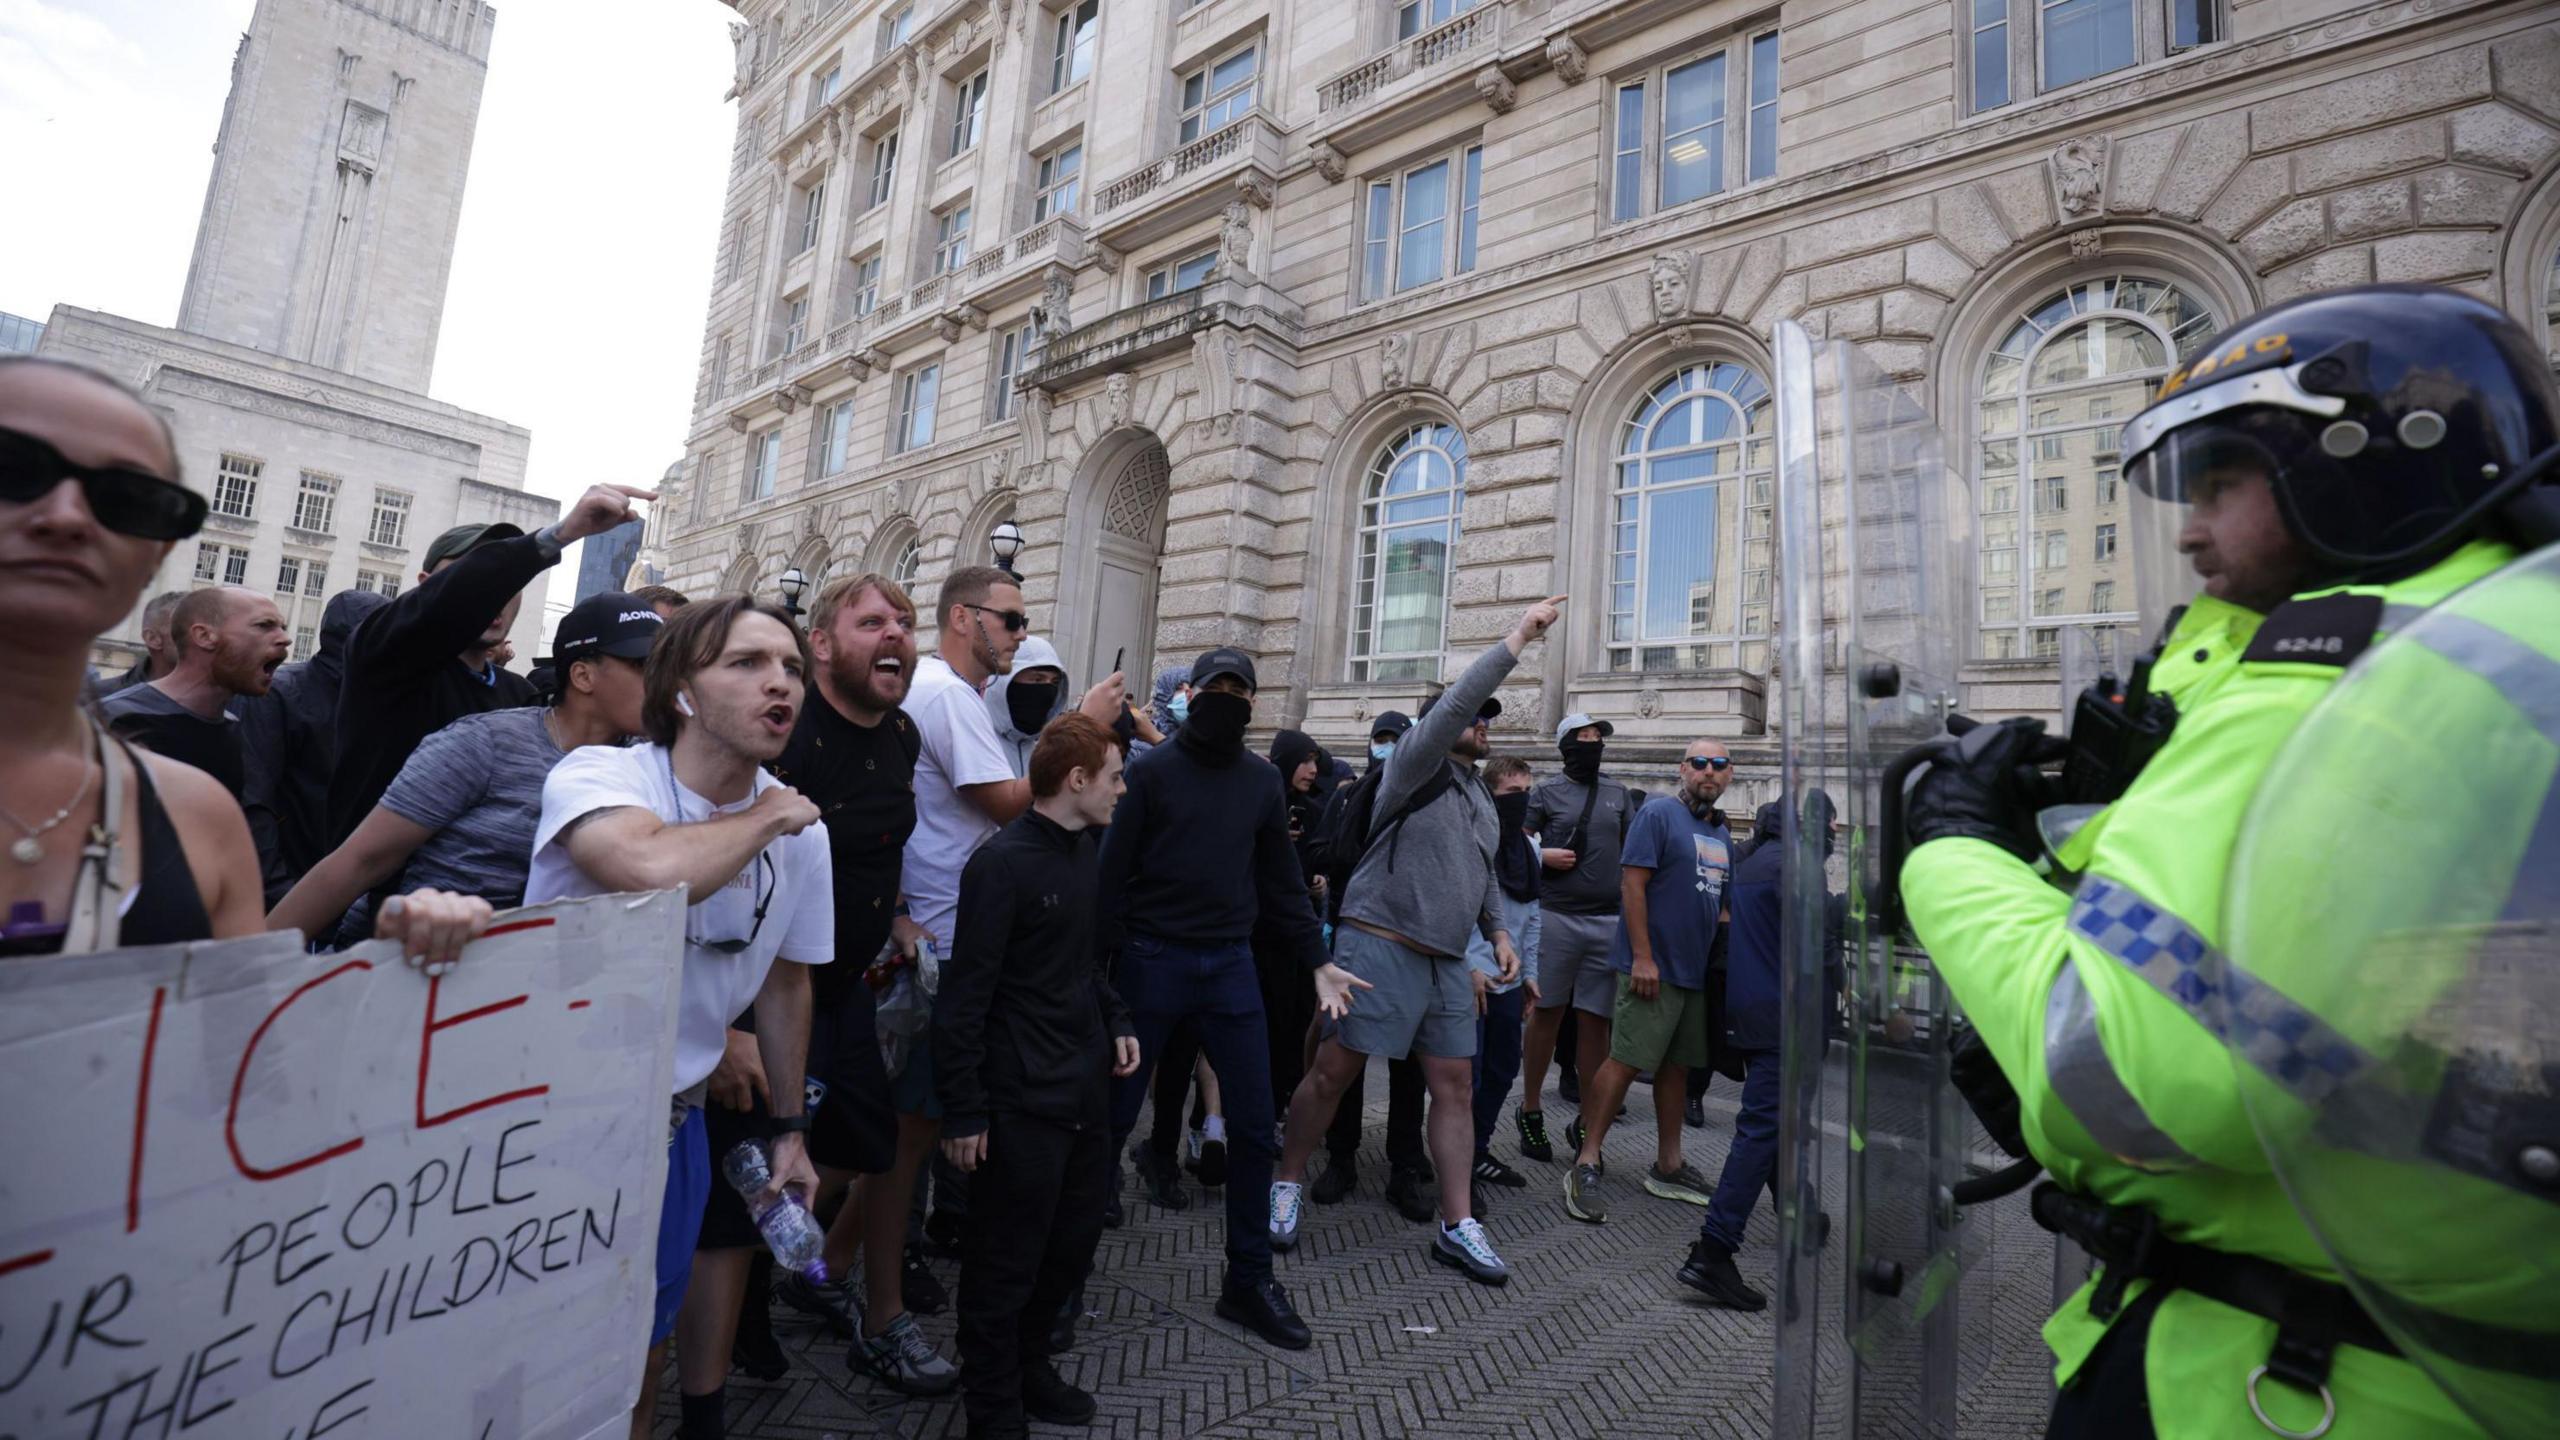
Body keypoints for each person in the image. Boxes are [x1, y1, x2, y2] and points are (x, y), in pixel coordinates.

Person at [1899, 284, 2558, 1438]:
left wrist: (1950, 848)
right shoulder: (2496, 641)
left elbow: (2140, 1083)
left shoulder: (2370, 682)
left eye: (2217, 485)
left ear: (2356, 460)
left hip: (2275, 1379)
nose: (2189, 531)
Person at [0, 355, 481, 965]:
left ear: (157, 554)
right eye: (14, 470)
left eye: (127, 498)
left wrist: (381, 955)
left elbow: (242, 1035)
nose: (67, 516)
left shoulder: (198, 815)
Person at [521, 596, 833, 1440]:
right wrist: (765, 815)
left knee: (641, 1342)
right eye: (748, 663)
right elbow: (645, 864)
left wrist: (790, 1126)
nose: (782, 685)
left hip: (674, 1118)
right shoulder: (605, 776)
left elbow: (784, 982)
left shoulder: (804, 837)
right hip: (545, 1116)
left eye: (794, 669)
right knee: (533, 1338)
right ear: (683, 693)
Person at [1272, 597, 1562, 1288]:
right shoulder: (1414, 762)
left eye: (1489, 722)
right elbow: (1463, 699)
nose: (1485, 727)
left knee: (1454, 1087)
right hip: (1379, 943)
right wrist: (1519, 635)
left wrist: (1495, 931)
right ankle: (1284, 1179)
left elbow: (1482, 871)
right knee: (1336, 1071)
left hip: (1446, 960)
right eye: (1476, 719)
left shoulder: (1481, 797)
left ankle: (1457, 1225)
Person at [887, 566, 1121, 1369]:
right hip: (948, 937)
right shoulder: (950, 696)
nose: (1020, 637)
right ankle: (876, 1288)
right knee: (915, 1138)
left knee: (907, 1139)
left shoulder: (944, 693)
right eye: (1012, 621)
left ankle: (865, 1272)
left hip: (942, 925)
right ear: (964, 618)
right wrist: (1083, 728)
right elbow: (1005, 804)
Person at [1099, 646, 1352, 1349]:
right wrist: (1099, 983)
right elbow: (1109, 881)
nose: (1229, 697)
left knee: (1250, 1123)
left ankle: (1248, 1280)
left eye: (1242, 689)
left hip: (1231, 966)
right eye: (1218, 686)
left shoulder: (1260, 783)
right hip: (1152, 961)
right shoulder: (1151, 773)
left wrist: (1318, 962)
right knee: (1112, 1113)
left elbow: (1280, 883)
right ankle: (1067, 1272)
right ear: (1193, 693)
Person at [935, 712, 1140, 1439]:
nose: (1122, 788)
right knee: (1004, 1262)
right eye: (1115, 776)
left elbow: (1081, 964)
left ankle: (1029, 1370)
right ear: (1078, 780)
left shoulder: (1087, 850)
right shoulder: (1002, 864)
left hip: (1084, 1090)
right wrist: (963, 1110)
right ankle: (991, 1404)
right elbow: (966, 996)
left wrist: (1115, 1019)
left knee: (1070, 1247)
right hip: (1021, 1099)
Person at [761, 572, 944, 1385]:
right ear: (823, 645)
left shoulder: (902, 736)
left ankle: (875, 1317)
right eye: (872, 621)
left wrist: (899, 916)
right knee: (758, 1168)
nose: (896, 632)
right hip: (768, 996)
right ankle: (736, 1319)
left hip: (850, 990)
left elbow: (882, 843)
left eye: (904, 621)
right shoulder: (789, 737)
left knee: (880, 1147)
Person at [267, 592, 659, 945]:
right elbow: (361, 860)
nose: (665, 681)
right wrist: (243, 973)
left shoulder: (655, 765)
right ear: (583, 675)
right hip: (426, 980)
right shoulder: (485, 743)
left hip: (559, 996)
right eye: (643, 665)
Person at [328, 480, 654, 851]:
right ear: (427, 586)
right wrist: (559, 536)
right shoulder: (384, 659)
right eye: (475, 577)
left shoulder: (523, 700)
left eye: (508, 582)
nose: (494, 594)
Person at [1560, 740, 1733, 1224]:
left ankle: (1668, 1163)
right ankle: (1586, 1158)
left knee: (1676, 1069)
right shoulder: (1657, 816)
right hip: (1652, 967)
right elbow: (1632, 885)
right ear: (1683, 769)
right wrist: (1642, 957)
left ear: (1729, 775)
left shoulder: (1721, 834)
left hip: (1693, 976)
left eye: (1719, 765)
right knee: (1626, 1060)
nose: (1709, 772)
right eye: (1699, 763)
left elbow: (1722, 907)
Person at [1677, 793, 1834, 1308]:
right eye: (1830, 823)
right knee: (1761, 1129)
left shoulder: (1753, 862)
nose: (1834, 833)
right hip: (1786, 1016)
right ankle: (1715, 1249)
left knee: (1775, 1123)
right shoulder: (1796, 869)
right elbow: (1819, 953)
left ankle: (1801, 1212)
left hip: (1753, 1008)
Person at [1306, 709, 1416, 1207]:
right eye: (1381, 739)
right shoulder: (1348, 795)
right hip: (1357, 940)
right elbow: (1323, 850)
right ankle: (1341, 1157)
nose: (1386, 747)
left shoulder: (1419, 798)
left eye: (1397, 739)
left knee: (1410, 1065)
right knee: (1345, 1054)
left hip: (1412, 946)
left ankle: (1406, 1162)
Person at [1518, 713, 1636, 1164]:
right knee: (1546, 1015)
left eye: (1597, 738)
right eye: (1584, 738)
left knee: (1595, 1023)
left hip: (1607, 922)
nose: (1593, 744)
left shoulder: (1618, 793)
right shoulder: (1545, 792)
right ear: (1566, 745)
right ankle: (1530, 1109)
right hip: (1557, 918)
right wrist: (1541, 854)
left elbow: (1633, 854)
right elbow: (1513, 845)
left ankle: (1588, 1122)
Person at [238, 588, 388, 904]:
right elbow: (254, 799)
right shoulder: (279, 694)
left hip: (352, 891)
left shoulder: (383, 697)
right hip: (290, 889)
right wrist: (279, 892)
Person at [98, 584, 289, 797]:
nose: (285, 638)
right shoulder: (117, 720)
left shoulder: (233, 731)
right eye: (264, 625)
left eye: (283, 627)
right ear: (204, 636)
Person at [1467, 755, 1542, 1193]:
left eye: (1527, 792)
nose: (1522, 801)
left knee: (1501, 1069)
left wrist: (1529, 972)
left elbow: (1533, 915)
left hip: (1509, 980)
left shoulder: (1528, 849)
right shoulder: (1473, 838)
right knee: (1467, 1075)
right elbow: (1458, 911)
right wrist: (1470, 966)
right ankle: (1454, 1161)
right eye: (1513, 793)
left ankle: (1478, 1149)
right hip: (1474, 978)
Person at [97, 588, 184, 695]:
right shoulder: (98, 698)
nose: (207, 639)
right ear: (152, 638)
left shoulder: (208, 704)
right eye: (184, 627)